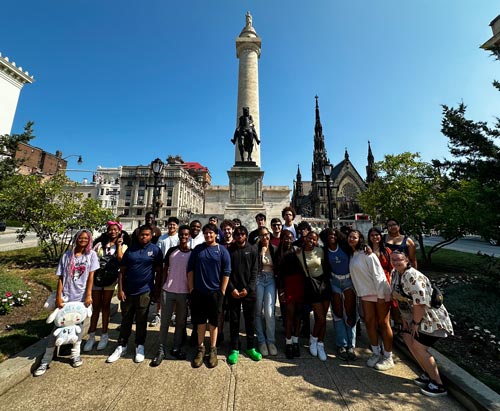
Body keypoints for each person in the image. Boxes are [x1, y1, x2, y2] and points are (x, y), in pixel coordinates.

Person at [34, 229, 99, 376]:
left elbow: (91, 277)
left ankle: (75, 354)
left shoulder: (91, 256)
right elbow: (61, 277)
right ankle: (46, 360)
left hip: (81, 298)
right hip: (66, 296)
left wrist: (88, 295)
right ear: (76, 239)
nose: (83, 241)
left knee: (78, 327)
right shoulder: (67, 256)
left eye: (86, 239)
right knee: (57, 328)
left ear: (89, 241)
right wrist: (58, 296)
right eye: (80, 238)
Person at [390, 251, 453, 397]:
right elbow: (401, 299)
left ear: (407, 260)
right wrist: (406, 320)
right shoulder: (396, 273)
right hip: (413, 316)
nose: (396, 262)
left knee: (419, 347)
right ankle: (427, 372)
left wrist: (416, 323)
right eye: (393, 259)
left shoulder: (412, 275)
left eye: (399, 260)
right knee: (407, 338)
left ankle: (438, 384)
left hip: (430, 319)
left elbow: (420, 303)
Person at [106, 225, 163, 364]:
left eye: (147, 235)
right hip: (128, 291)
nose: (144, 237)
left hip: (145, 291)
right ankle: (121, 345)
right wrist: (120, 289)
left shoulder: (155, 250)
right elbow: (122, 271)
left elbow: (159, 271)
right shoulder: (131, 250)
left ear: (151, 236)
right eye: (142, 235)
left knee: (142, 319)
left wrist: (156, 289)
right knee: (126, 319)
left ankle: (139, 345)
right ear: (138, 235)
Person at [348, 230, 394, 371]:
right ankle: (375, 352)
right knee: (369, 322)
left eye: (354, 237)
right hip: (365, 293)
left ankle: (388, 356)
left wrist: (381, 296)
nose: (351, 239)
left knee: (383, 323)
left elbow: (378, 275)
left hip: (379, 292)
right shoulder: (352, 254)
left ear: (360, 239)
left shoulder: (368, 254)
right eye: (349, 237)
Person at [187, 223, 231, 368]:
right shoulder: (198, 249)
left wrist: (222, 291)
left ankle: (212, 349)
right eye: (206, 233)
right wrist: (191, 288)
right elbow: (190, 269)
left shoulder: (222, 250)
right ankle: (200, 348)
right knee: (200, 323)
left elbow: (226, 271)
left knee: (213, 323)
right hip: (199, 292)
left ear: (216, 234)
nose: (208, 235)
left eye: (211, 233)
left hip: (215, 293)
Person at [151, 225, 191, 366]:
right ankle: (161, 349)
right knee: (165, 322)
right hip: (169, 290)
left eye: (186, 234)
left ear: (190, 236)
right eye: (182, 234)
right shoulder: (171, 251)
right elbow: (164, 269)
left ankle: (176, 346)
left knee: (180, 322)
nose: (184, 236)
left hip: (184, 292)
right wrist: (161, 286)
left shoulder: (192, 253)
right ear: (179, 235)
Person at [84, 221, 127, 352]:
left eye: (115, 229)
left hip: (110, 280)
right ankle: (91, 336)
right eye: (110, 229)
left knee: (106, 306)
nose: (112, 232)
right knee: (95, 307)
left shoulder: (123, 246)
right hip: (97, 278)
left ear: (119, 231)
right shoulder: (99, 245)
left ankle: (104, 335)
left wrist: (119, 245)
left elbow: (121, 259)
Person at [226, 225, 262, 364]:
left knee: (250, 319)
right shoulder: (230, 251)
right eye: (237, 234)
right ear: (234, 236)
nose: (240, 236)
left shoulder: (253, 249)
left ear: (246, 236)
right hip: (234, 291)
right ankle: (234, 348)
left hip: (248, 291)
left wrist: (249, 288)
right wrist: (231, 289)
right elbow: (226, 271)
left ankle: (250, 346)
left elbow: (255, 271)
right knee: (234, 320)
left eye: (242, 234)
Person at [321, 228, 357, 361]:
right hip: (334, 281)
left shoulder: (345, 247)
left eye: (334, 234)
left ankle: (351, 345)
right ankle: (341, 344)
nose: (332, 236)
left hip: (348, 280)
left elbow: (358, 249)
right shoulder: (324, 250)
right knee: (337, 313)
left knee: (350, 312)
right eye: (329, 235)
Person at [297, 231, 331, 361]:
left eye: (314, 239)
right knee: (321, 318)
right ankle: (313, 339)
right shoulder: (299, 252)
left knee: (322, 319)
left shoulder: (320, 251)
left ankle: (320, 344)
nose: (312, 240)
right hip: (312, 286)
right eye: (310, 238)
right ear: (305, 238)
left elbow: (325, 265)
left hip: (324, 284)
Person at [275, 230, 303, 359]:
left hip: (298, 284)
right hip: (287, 285)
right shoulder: (278, 252)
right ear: (282, 239)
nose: (288, 240)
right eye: (286, 238)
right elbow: (278, 274)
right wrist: (281, 290)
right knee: (288, 316)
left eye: (291, 238)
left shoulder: (297, 250)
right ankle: (288, 343)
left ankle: (296, 341)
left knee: (298, 315)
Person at [150, 217, 180, 327]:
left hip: (176, 268)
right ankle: (158, 313)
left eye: (174, 225)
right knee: (160, 289)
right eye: (170, 224)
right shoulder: (162, 238)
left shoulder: (179, 238)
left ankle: (173, 314)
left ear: (177, 226)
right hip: (163, 268)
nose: (172, 226)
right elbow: (158, 253)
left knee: (176, 291)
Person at [254, 227, 278, 356]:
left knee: (269, 312)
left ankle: (271, 341)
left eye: (267, 235)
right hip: (259, 278)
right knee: (258, 311)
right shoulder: (255, 248)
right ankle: (261, 341)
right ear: (259, 237)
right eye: (262, 235)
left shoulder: (274, 248)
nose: (265, 237)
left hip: (270, 279)